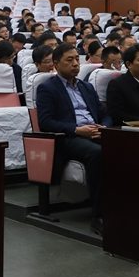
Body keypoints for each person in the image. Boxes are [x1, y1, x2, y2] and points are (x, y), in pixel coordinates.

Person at [35, 43, 109, 234]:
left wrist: (105, 127)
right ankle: (98, 215)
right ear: (56, 63)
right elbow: (45, 122)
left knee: (127, 145)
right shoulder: (47, 88)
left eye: (77, 59)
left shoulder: (87, 87)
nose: (75, 63)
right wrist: (77, 130)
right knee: (97, 153)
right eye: (69, 60)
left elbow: (104, 113)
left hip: (95, 131)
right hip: (68, 137)